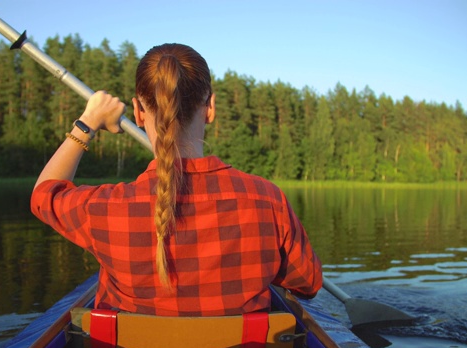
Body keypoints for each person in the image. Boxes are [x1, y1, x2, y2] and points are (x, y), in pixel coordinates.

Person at [31, 43, 322, 316]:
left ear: (138, 112)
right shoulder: (267, 199)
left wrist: (88, 122)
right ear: (210, 108)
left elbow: (44, 195)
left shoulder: (106, 209)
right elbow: (307, 284)